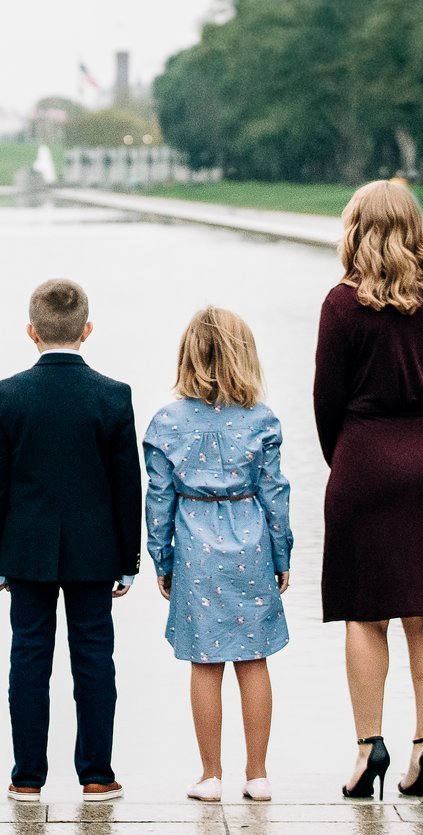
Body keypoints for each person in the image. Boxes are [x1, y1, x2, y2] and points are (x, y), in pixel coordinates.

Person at [313, 178, 423, 802]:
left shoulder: (341, 304)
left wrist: (348, 457)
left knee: (366, 610)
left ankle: (366, 748)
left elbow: (327, 399)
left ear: (355, 230)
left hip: (365, 463)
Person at [0, 278, 142, 803]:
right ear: (87, 330)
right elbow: (126, 484)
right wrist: (129, 558)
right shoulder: (114, 395)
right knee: (94, 659)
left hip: (24, 550)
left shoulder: (9, 393)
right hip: (96, 551)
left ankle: (26, 777)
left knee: (28, 659)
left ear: (31, 332)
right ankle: (97, 774)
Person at [143, 306, 292, 804]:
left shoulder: (167, 422)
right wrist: (281, 554)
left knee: (204, 663)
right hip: (250, 537)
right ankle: (258, 773)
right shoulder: (262, 419)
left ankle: (210, 775)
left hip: (193, 542)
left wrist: (161, 559)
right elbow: (275, 492)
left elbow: (158, 499)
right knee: (253, 658)